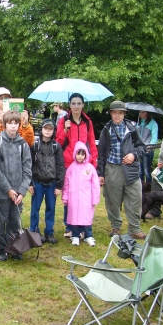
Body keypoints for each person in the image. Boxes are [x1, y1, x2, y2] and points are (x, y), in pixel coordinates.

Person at [0, 87, 34, 249]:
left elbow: (27, 142)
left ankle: (13, 243)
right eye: (1, 98)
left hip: (16, 175)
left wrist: (25, 125)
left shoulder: (17, 118)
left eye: (7, 98)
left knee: (15, 214)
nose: (3, 101)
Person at [97, 100, 147, 239]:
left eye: (120, 113)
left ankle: (134, 229)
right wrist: (100, 173)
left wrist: (133, 155)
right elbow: (101, 153)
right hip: (112, 168)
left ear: (124, 114)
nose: (117, 116)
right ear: (111, 114)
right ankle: (115, 227)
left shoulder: (132, 129)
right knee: (112, 200)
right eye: (115, 113)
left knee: (135, 199)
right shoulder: (106, 130)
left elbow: (142, 147)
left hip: (130, 169)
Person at [55, 93, 98, 238]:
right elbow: (58, 143)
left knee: (84, 195)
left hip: (85, 164)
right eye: (73, 103)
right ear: (69, 105)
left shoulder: (88, 122)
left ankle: (83, 226)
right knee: (71, 195)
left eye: (79, 103)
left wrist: (93, 160)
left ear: (83, 105)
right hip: (68, 163)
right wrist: (65, 130)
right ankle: (70, 226)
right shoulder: (63, 121)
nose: (76, 106)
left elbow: (91, 142)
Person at [28, 119, 65, 244]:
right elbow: (29, 165)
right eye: (45, 128)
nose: (48, 131)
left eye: (50, 129)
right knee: (35, 209)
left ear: (54, 131)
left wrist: (59, 185)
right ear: (41, 130)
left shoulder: (56, 146)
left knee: (51, 209)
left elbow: (60, 166)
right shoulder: (35, 145)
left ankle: (49, 232)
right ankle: (33, 231)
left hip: (51, 184)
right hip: (37, 182)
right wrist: (30, 183)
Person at [63, 142, 100, 246]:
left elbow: (95, 184)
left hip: (86, 198)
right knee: (74, 217)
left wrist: (95, 198)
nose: (80, 156)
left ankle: (88, 235)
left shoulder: (90, 168)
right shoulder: (71, 168)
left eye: (82, 154)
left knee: (86, 217)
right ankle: (75, 235)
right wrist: (65, 197)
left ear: (86, 155)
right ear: (75, 154)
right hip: (73, 197)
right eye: (78, 154)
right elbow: (66, 183)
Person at [137, 110, 158, 183]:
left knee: (147, 172)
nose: (141, 114)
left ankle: (149, 190)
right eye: (140, 112)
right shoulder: (138, 123)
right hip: (139, 149)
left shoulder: (153, 123)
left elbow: (154, 138)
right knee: (140, 172)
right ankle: (141, 189)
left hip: (147, 149)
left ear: (147, 113)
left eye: (143, 112)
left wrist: (149, 148)